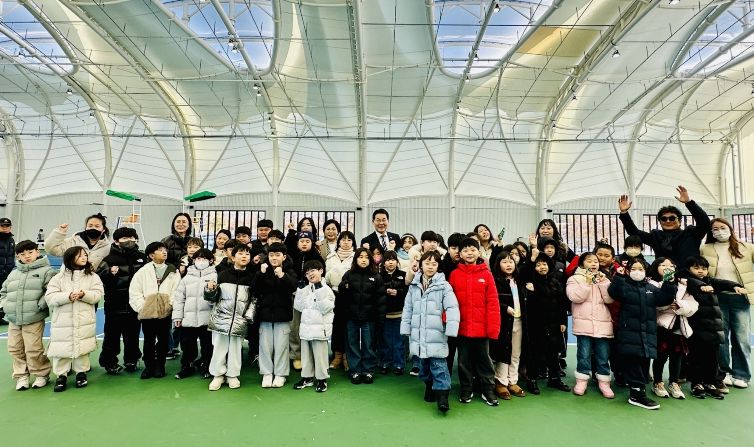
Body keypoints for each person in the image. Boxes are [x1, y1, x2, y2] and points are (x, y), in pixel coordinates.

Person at [608, 258, 677, 410]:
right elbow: (614, 292)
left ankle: (639, 391)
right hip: (629, 332)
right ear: (628, 270)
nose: (637, 272)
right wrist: (619, 277)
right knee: (633, 361)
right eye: (633, 269)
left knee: (644, 361)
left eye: (641, 269)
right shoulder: (624, 285)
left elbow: (664, 299)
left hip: (648, 332)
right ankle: (636, 395)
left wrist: (669, 283)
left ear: (646, 272)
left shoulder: (651, 288)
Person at [401, 251, 460, 413]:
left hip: (437, 333)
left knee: (439, 365)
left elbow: (452, 308)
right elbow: (408, 308)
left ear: (438, 266)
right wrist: (406, 328)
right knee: (424, 365)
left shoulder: (444, 286)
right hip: (419, 334)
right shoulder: (414, 286)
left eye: (434, 264)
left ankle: (443, 397)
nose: (430, 267)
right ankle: (430, 386)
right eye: (427, 263)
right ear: (421, 265)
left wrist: (451, 329)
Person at [700, 218, 754, 389]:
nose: (719, 231)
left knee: (742, 338)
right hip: (717, 298)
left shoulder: (747, 247)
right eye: (715, 229)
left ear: (730, 229)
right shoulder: (705, 248)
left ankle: (741, 374)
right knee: (720, 338)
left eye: (723, 227)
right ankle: (723, 372)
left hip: (740, 298)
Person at [683, 255, 746, 399]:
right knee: (696, 357)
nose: (700, 271)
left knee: (712, 359)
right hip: (696, 328)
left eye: (704, 268)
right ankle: (696, 384)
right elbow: (692, 283)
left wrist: (735, 286)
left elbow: (723, 282)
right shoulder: (685, 280)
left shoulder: (710, 281)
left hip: (713, 328)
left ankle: (710, 383)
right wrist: (701, 286)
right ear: (688, 269)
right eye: (696, 268)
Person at [448, 237, 501, 406]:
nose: (469, 253)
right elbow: (448, 302)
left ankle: (488, 390)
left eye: (472, 250)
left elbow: (493, 303)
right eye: (465, 250)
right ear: (460, 254)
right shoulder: (454, 274)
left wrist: (493, 328)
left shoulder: (487, 274)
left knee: (485, 361)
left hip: (482, 329)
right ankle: (466, 389)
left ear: (479, 252)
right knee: (463, 362)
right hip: (462, 328)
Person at [45, 247, 104, 392]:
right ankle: (61, 376)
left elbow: (98, 294)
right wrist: (67, 296)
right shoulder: (58, 278)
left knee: (82, 347)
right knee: (61, 349)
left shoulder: (92, 277)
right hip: (62, 321)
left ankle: (81, 373)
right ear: (70, 258)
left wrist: (84, 294)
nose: (84, 258)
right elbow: (50, 297)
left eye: (85, 255)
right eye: (79, 255)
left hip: (84, 320)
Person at [0, 240, 56, 390]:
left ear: (37, 252)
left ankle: (41, 374)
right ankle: (21, 375)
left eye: (30, 252)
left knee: (33, 348)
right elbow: (3, 292)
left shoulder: (47, 271)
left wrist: (40, 305)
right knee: (15, 348)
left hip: (34, 318)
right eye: (22, 254)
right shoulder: (14, 273)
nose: (27, 256)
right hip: (14, 318)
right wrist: (4, 305)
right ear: (18, 257)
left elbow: (50, 291)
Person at [618, 185, 711, 270]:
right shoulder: (655, 236)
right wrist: (624, 213)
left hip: (688, 276)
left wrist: (689, 203)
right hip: (662, 277)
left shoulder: (691, 233)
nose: (668, 221)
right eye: (664, 219)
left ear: (680, 221)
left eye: (672, 218)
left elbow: (704, 223)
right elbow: (633, 232)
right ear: (660, 222)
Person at [96, 227, 147, 375]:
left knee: (132, 335)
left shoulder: (142, 257)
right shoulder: (109, 259)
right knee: (111, 336)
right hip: (114, 304)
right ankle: (109, 362)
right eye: (124, 238)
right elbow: (99, 280)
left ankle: (132, 360)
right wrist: (109, 274)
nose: (128, 241)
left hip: (135, 305)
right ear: (117, 241)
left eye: (131, 238)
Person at [205, 244, 255, 391]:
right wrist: (209, 290)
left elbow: (254, 300)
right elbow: (211, 299)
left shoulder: (252, 277)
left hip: (240, 320)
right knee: (219, 348)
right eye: (240, 253)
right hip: (220, 319)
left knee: (236, 349)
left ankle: (233, 375)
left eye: (247, 254)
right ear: (232, 257)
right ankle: (217, 375)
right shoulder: (222, 275)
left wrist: (248, 316)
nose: (244, 256)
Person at [128, 242, 181, 380]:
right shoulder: (143, 272)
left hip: (165, 313)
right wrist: (142, 307)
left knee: (163, 341)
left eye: (165, 249)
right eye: (160, 250)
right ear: (151, 255)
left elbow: (177, 291)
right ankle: (149, 366)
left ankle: (160, 366)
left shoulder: (173, 271)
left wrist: (169, 306)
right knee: (148, 341)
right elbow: (134, 291)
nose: (164, 252)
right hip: (147, 313)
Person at [647, 258, 697, 400]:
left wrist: (681, 306)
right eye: (663, 265)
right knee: (661, 356)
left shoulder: (683, 284)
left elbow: (693, 304)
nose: (667, 267)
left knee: (677, 356)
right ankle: (657, 382)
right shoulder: (651, 284)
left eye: (671, 265)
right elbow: (656, 303)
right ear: (656, 267)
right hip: (661, 325)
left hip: (679, 324)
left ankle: (674, 383)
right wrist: (669, 302)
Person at [566, 252, 615, 398]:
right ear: (582, 264)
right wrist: (587, 283)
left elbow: (610, 299)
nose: (594, 263)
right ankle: (581, 381)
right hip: (584, 324)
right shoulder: (574, 279)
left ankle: (604, 383)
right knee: (583, 354)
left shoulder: (604, 279)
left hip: (602, 323)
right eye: (589, 261)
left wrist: (603, 283)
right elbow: (575, 297)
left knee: (603, 355)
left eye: (596, 261)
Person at [521, 250, 570, 394]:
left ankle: (555, 379)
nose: (542, 267)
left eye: (544, 264)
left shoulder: (555, 282)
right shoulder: (529, 282)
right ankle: (532, 379)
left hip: (553, 323)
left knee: (553, 352)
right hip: (536, 324)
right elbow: (523, 272)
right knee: (535, 353)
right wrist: (532, 259)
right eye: (538, 264)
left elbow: (562, 303)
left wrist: (562, 321)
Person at [254, 242, 298, 388]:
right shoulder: (263, 270)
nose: (274, 258)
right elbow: (254, 290)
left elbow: (294, 287)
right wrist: (260, 274)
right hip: (264, 315)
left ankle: (280, 374)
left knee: (281, 346)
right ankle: (266, 373)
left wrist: (282, 276)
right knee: (265, 346)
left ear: (284, 257)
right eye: (271, 255)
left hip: (283, 315)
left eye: (277, 255)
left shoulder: (289, 271)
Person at [340, 248, 385, 384]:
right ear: (356, 259)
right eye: (360, 257)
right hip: (351, 316)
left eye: (366, 257)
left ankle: (368, 370)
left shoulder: (376, 277)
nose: (363, 260)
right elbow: (342, 297)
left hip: (369, 317)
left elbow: (380, 300)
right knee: (352, 344)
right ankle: (355, 371)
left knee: (369, 344)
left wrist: (380, 318)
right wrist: (343, 287)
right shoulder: (348, 275)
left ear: (370, 260)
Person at [172, 248, 216, 380]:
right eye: (198, 259)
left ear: (211, 261)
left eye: (204, 259)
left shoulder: (215, 276)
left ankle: (206, 366)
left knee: (208, 345)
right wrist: (177, 316)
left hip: (207, 319)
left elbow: (217, 298)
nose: (200, 261)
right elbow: (179, 298)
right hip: (188, 319)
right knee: (187, 345)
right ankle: (187, 366)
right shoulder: (186, 278)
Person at [293, 259, 335, 393]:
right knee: (306, 356)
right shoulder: (306, 289)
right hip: (306, 329)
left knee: (320, 357)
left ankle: (322, 379)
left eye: (313, 271)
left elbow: (325, 308)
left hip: (320, 330)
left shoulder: (327, 290)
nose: (310, 274)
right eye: (307, 273)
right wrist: (300, 291)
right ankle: (307, 377)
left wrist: (319, 289)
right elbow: (299, 307)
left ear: (321, 271)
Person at [489, 251, 527, 400]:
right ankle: (501, 382)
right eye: (504, 262)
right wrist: (505, 308)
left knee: (516, 352)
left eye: (511, 261)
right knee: (503, 352)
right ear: (498, 264)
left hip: (519, 321)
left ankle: (513, 381)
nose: (508, 264)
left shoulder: (520, 280)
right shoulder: (495, 281)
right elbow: (492, 300)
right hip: (504, 322)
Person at [324, 231, 356, 370]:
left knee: (348, 326)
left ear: (353, 242)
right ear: (339, 242)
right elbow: (325, 276)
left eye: (349, 240)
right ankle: (337, 355)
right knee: (336, 326)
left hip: (350, 296)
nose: (346, 242)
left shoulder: (356, 256)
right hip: (333, 294)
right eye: (343, 239)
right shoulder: (331, 257)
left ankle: (346, 356)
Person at [45, 214, 111, 270]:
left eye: (97, 226)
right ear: (86, 227)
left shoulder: (107, 247)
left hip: (91, 279)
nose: (93, 228)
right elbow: (51, 249)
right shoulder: (73, 241)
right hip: (68, 278)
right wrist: (60, 232)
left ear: (103, 230)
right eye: (90, 226)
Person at [379, 250, 408, 375]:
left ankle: (399, 364)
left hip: (399, 314)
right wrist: (385, 291)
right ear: (383, 263)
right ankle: (384, 363)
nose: (390, 262)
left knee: (399, 341)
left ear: (397, 261)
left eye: (393, 260)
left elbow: (408, 291)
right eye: (387, 260)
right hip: (384, 314)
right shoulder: (379, 276)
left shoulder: (404, 275)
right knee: (385, 340)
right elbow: (375, 292)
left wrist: (398, 292)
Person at [0, 217, 15, 325]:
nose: (5, 228)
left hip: (6, 274)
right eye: (2, 226)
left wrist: (10, 268)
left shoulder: (11, 240)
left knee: (3, 296)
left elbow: (12, 255)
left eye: (7, 226)